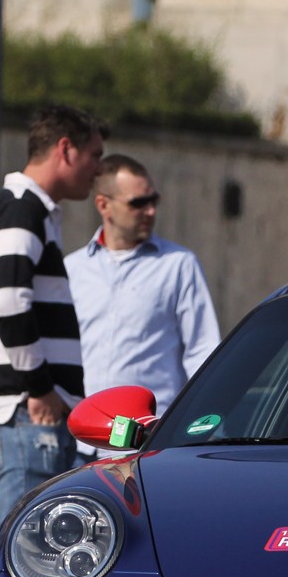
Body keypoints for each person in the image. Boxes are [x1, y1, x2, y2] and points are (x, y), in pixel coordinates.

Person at [0, 105, 106, 556]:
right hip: (24, 416)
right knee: (18, 565)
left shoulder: (22, 209)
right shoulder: (20, 208)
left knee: (6, 563)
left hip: (22, 416)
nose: (98, 170)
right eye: (94, 155)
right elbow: (7, 302)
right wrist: (41, 388)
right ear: (65, 149)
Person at [65, 154, 221, 430]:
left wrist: (204, 424)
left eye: (153, 201)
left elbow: (202, 349)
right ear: (104, 205)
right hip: (82, 437)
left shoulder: (178, 264)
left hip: (147, 436)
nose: (150, 211)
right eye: (138, 203)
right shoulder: (72, 269)